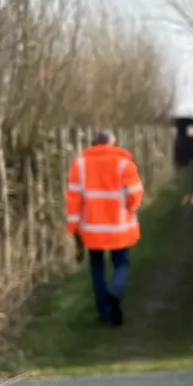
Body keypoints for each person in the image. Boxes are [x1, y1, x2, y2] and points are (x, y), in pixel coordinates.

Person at [66, 130, 145, 325]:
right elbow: (135, 192)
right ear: (113, 143)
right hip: (119, 225)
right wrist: (131, 208)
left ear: (93, 143)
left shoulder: (80, 164)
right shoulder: (124, 163)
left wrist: (74, 227)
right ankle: (116, 292)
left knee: (97, 268)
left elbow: (74, 198)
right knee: (122, 263)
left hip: (93, 228)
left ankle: (103, 311)